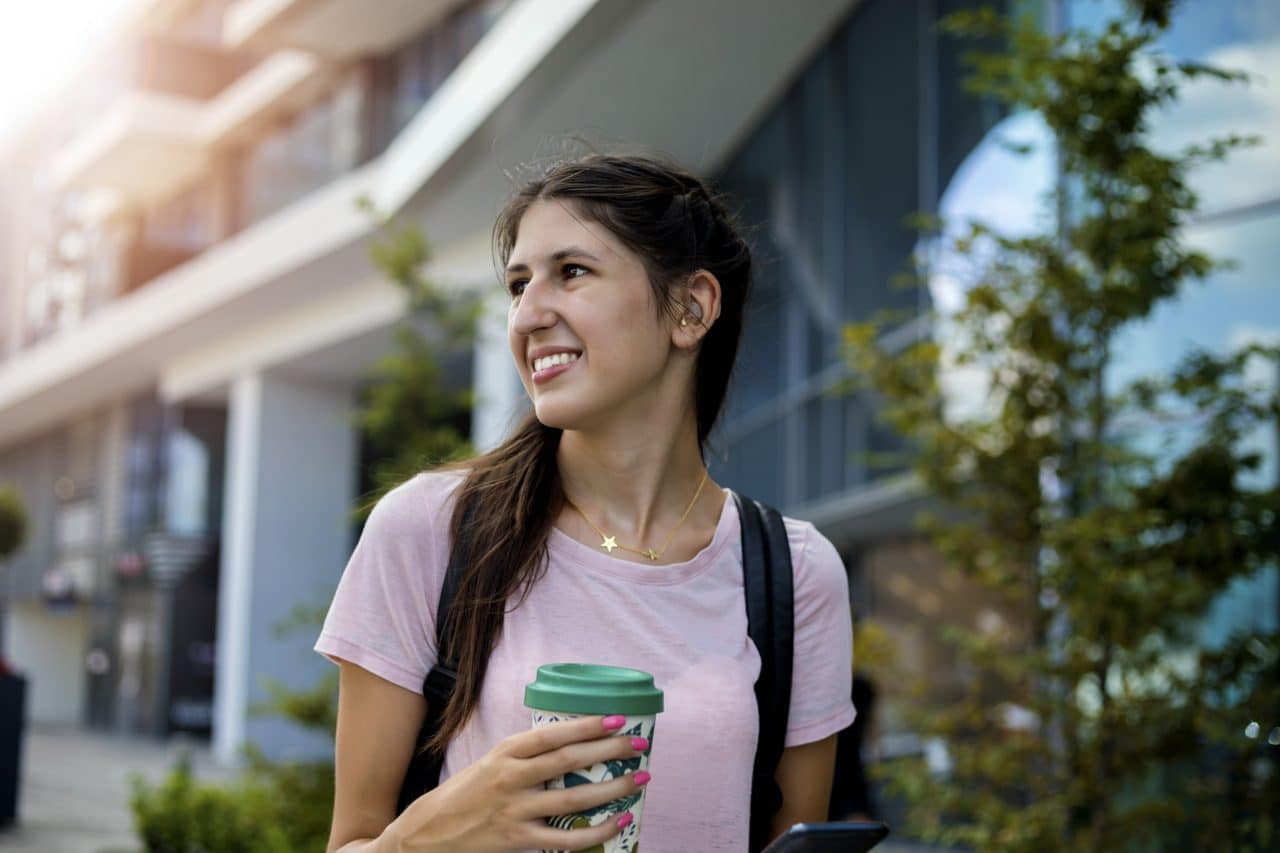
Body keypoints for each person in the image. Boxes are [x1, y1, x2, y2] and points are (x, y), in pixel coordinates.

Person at [316, 153, 856, 852]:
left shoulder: (795, 573)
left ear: (691, 307)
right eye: (518, 284)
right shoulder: (431, 528)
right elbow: (351, 841)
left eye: (572, 272)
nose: (528, 315)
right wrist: (428, 839)